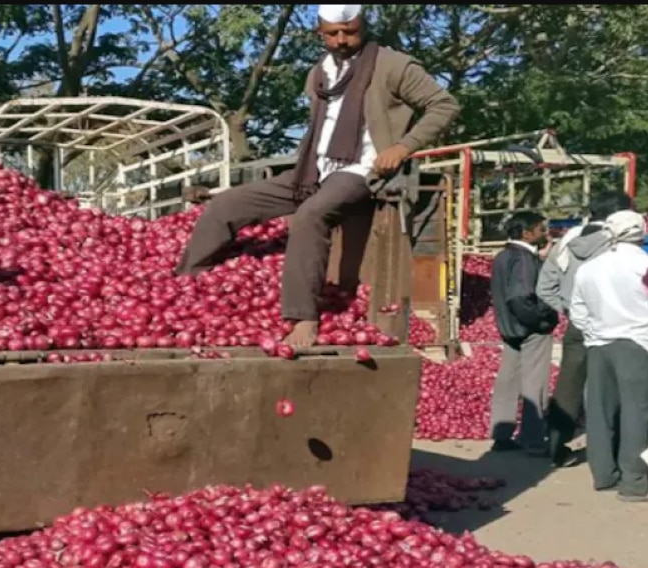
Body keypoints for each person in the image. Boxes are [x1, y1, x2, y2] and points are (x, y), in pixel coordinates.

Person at [173, 4, 460, 347]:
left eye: (350, 31)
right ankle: (189, 279)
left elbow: (444, 105)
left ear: (363, 26)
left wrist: (402, 146)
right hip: (314, 169)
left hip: (362, 169)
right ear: (320, 33)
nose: (341, 40)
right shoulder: (318, 73)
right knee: (227, 204)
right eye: (333, 33)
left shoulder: (393, 65)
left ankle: (302, 317)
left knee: (311, 215)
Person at [570, 211, 648, 502]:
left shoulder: (589, 268)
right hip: (639, 344)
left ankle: (604, 474)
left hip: (599, 345)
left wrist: (596, 332)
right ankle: (634, 481)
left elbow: (578, 312)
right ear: (643, 233)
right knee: (638, 412)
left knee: (599, 411)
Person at [536, 191, 633, 466]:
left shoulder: (567, 242)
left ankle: (556, 447)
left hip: (577, 324)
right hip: (612, 324)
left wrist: (568, 309)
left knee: (568, 384)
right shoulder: (619, 243)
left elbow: (544, 287)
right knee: (608, 389)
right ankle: (608, 454)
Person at [488, 212, 558, 454]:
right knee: (534, 383)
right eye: (541, 229)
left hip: (509, 329)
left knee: (508, 379)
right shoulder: (524, 259)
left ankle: (502, 434)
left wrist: (540, 259)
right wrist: (542, 319)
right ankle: (533, 438)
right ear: (527, 233)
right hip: (530, 329)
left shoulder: (503, 256)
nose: (545, 233)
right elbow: (520, 296)